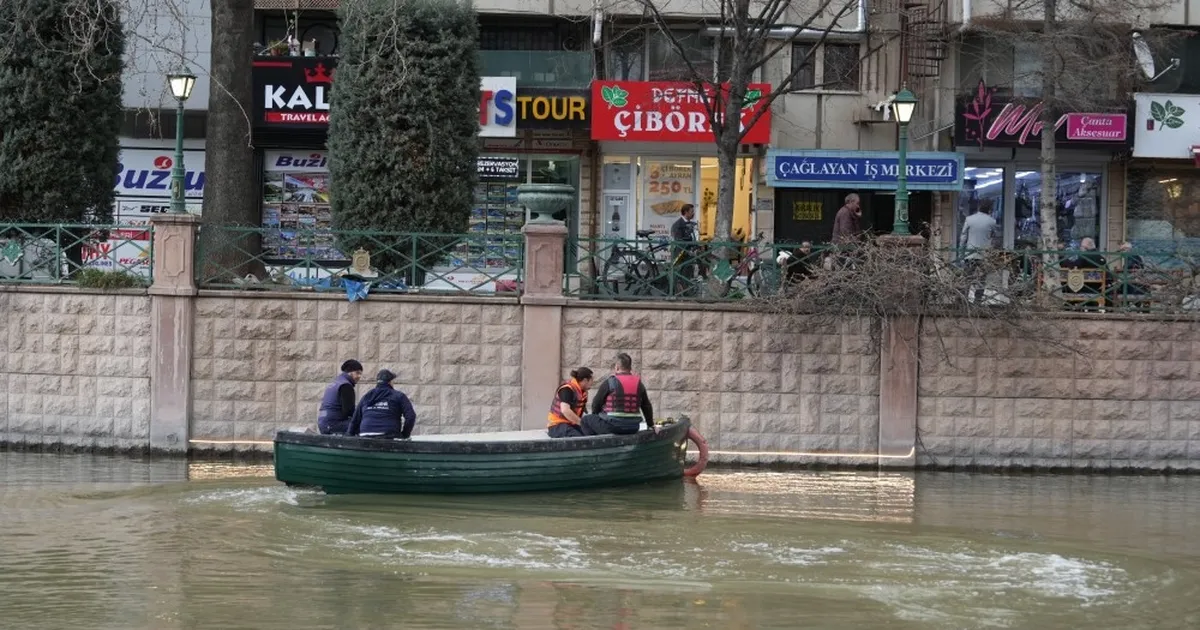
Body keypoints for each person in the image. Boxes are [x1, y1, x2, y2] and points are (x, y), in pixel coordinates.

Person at [583, 353, 656, 436]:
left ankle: (596, 443)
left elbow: (596, 403)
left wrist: (596, 416)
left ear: (617, 367)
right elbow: (646, 406)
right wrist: (651, 424)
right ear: (630, 368)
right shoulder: (639, 384)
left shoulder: (610, 382)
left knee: (585, 420)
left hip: (612, 426)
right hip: (633, 427)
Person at [347, 369, 417, 439]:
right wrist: (404, 435)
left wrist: (349, 436)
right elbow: (411, 416)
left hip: (365, 435)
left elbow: (355, 420)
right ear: (390, 382)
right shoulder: (398, 396)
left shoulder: (367, 396)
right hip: (389, 436)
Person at [959, 200, 998, 303]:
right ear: (990, 209)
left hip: (970, 254)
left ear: (979, 207)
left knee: (967, 278)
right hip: (984, 255)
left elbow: (963, 238)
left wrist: (961, 254)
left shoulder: (969, 219)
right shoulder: (992, 221)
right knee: (982, 279)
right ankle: (978, 301)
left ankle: (963, 300)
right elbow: (994, 238)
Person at [316, 359, 363, 434]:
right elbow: (349, 411)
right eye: (357, 373)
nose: (359, 376)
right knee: (364, 426)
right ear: (349, 372)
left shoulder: (335, 383)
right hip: (333, 424)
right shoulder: (346, 385)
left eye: (360, 374)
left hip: (323, 423)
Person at [547, 367, 594, 438]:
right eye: (591, 380)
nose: (592, 382)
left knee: (590, 433)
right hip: (556, 425)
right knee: (579, 438)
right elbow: (565, 410)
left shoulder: (582, 392)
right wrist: (582, 423)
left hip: (571, 424)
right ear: (585, 380)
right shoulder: (567, 389)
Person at [670, 204, 702, 292]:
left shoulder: (691, 223)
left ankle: (687, 290)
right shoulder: (677, 224)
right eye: (692, 212)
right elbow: (679, 241)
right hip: (680, 253)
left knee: (688, 272)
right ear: (686, 212)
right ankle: (678, 292)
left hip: (688, 252)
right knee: (679, 273)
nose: (693, 213)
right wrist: (688, 249)